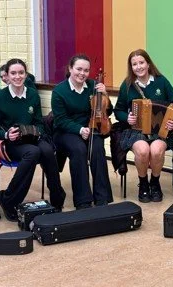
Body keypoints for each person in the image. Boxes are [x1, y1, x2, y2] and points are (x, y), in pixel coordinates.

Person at [0, 58, 67, 219]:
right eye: (13, 73)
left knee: (47, 150)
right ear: (7, 76)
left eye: (21, 73)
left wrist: (35, 131)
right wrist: (6, 134)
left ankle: (57, 196)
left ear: (26, 74)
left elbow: (39, 123)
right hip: (11, 142)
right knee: (33, 153)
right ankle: (8, 199)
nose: (17, 76)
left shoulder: (32, 95)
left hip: (32, 138)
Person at [113, 49, 173, 203]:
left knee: (156, 151)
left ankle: (155, 183)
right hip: (134, 130)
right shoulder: (127, 85)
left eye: (141, 62)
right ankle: (143, 184)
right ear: (131, 67)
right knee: (143, 151)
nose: (138, 67)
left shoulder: (161, 81)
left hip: (160, 131)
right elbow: (118, 110)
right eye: (134, 64)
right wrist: (126, 118)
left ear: (148, 64)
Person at [50, 54, 113, 209]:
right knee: (78, 150)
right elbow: (60, 120)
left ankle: (102, 197)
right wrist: (79, 129)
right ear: (70, 69)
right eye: (78, 69)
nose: (82, 73)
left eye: (86, 70)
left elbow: (108, 111)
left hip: (90, 129)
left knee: (97, 149)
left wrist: (105, 95)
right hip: (65, 132)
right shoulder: (59, 91)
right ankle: (83, 200)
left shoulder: (93, 86)